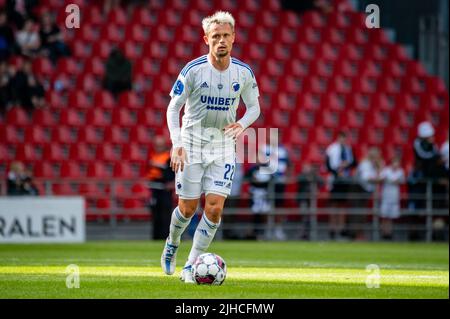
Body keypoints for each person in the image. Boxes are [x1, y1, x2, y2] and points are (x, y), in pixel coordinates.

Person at [161, 11, 261, 283]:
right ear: (206, 39)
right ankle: (172, 243)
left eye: (226, 35)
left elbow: (254, 107)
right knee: (187, 209)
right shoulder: (193, 70)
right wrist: (177, 143)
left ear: (234, 38)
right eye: (216, 36)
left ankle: (190, 265)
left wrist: (241, 124)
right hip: (192, 144)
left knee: (214, 208)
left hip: (222, 146)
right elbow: (173, 108)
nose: (221, 41)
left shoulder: (243, 72)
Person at [325, 131, 357, 239]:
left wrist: (347, 165)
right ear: (338, 138)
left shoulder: (348, 149)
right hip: (335, 180)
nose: (343, 140)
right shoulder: (331, 149)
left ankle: (341, 229)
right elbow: (328, 165)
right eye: (341, 138)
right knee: (334, 205)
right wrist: (337, 172)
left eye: (344, 138)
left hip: (345, 180)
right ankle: (332, 230)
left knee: (342, 205)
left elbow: (354, 162)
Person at [147, 136, 175, 240]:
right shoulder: (153, 156)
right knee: (155, 214)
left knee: (165, 214)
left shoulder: (168, 157)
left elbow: (171, 172)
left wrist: (171, 182)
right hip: (155, 189)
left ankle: (166, 237)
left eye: (160, 145)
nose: (158, 147)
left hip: (165, 190)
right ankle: (156, 237)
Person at [245, 152, 274, 240]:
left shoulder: (268, 169)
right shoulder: (252, 169)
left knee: (264, 213)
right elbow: (247, 179)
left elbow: (271, 180)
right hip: (255, 195)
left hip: (265, 195)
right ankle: (254, 233)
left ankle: (264, 232)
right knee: (255, 214)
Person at [379, 156, 405, 240]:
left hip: (394, 197)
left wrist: (391, 180)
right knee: (384, 216)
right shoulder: (386, 170)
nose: (396, 164)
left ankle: (389, 233)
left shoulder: (401, 171)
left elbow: (401, 181)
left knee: (391, 217)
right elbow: (380, 178)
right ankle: (383, 233)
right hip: (386, 196)